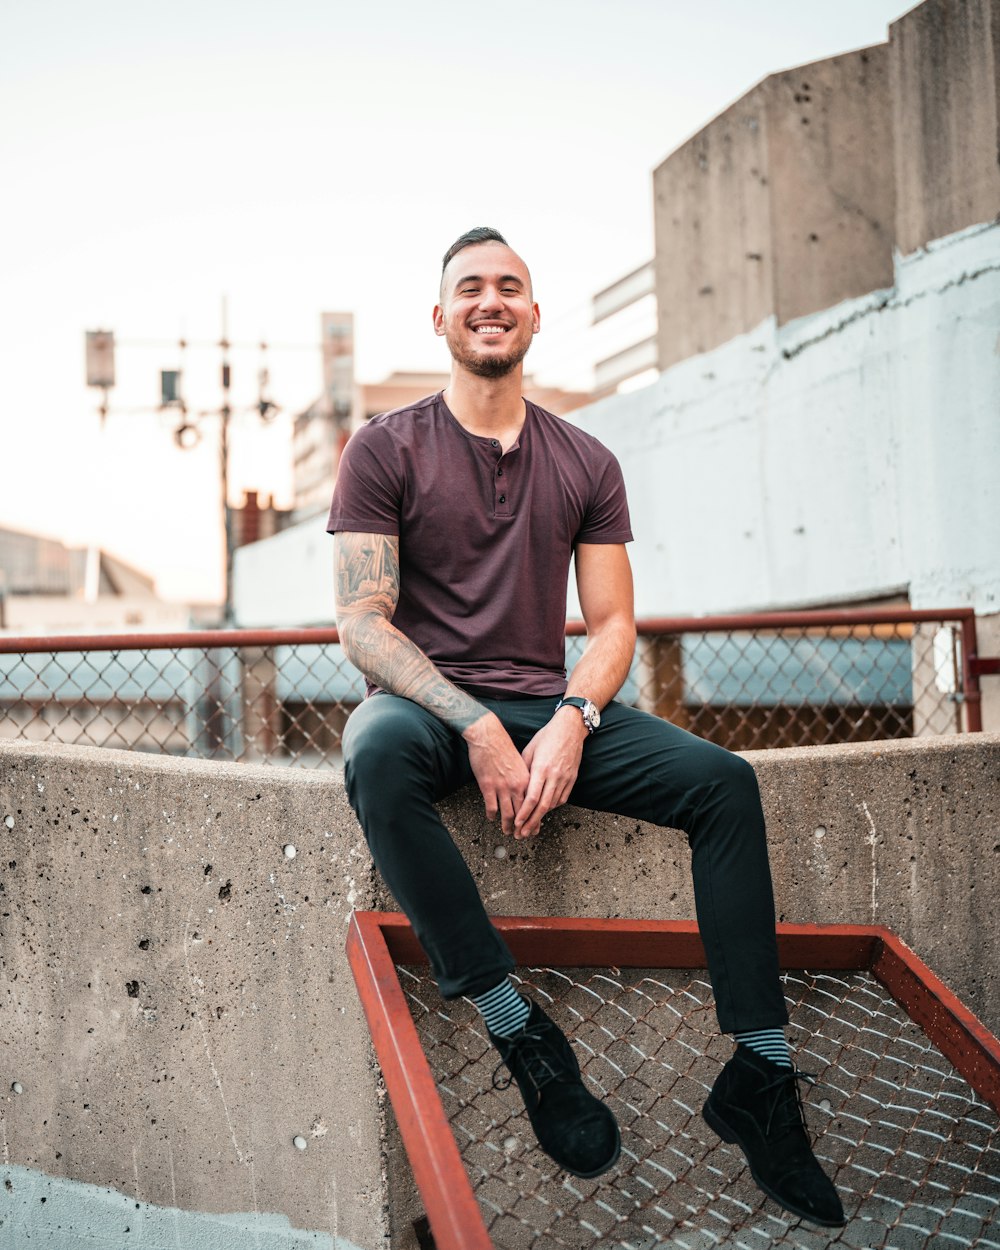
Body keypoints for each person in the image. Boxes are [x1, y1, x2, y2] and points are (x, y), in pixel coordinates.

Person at [328, 227, 845, 1228]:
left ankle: (760, 1075)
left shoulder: (585, 459)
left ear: (532, 312)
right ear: (440, 318)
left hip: (544, 698)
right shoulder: (384, 446)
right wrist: (474, 721)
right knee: (374, 754)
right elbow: (361, 620)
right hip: (426, 702)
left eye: (509, 286)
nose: (490, 299)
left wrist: (570, 717)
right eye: (469, 288)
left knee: (723, 782)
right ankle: (518, 1028)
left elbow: (611, 626)